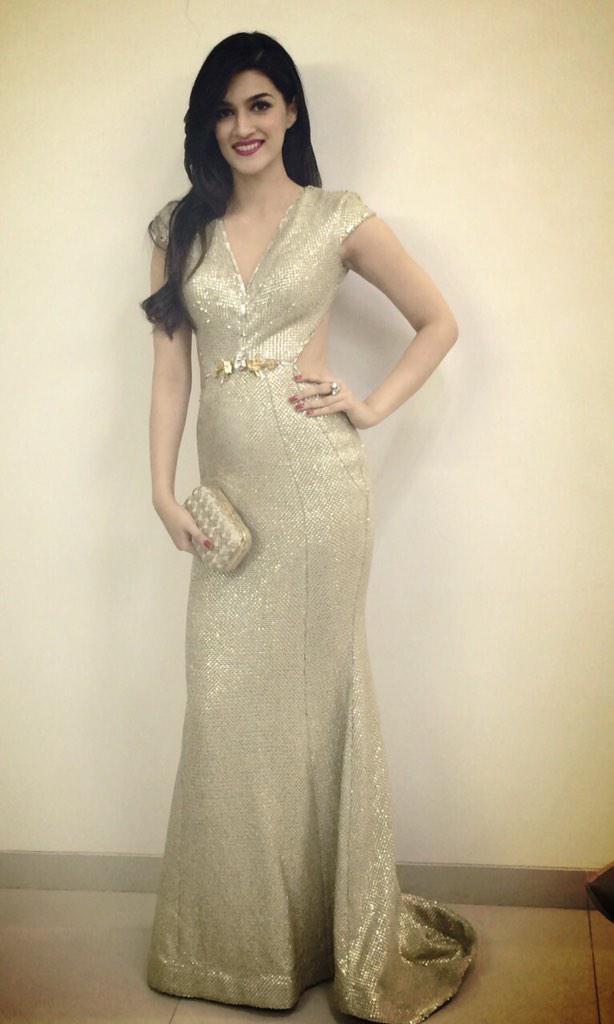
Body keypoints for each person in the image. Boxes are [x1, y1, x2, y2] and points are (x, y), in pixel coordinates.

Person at [140, 29, 477, 1024]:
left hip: (321, 495)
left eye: (259, 103)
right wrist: (159, 489)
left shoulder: (338, 217)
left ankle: (334, 936)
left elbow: (438, 322)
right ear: (208, 123)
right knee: (225, 709)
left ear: (290, 111)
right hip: (229, 505)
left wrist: (368, 406)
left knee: (320, 710)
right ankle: (237, 950)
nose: (241, 125)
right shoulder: (179, 227)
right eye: (224, 108)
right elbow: (170, 370)